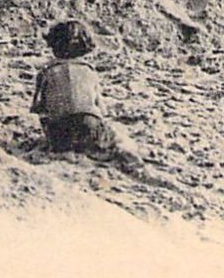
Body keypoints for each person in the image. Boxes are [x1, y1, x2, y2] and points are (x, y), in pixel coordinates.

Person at [31, 20, 142, 169]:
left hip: (60, 133)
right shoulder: (89, 71)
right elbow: (101, 108)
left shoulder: (46, 72)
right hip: (88, 127)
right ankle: (125, 153)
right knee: (115, 135)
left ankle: (65, 147)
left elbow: (38, 108)